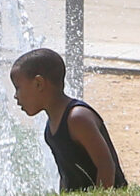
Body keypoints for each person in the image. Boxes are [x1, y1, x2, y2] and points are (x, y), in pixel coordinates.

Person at [10, 48, 128, 191]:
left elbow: (106, 165)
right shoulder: (51, 127)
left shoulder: (77, 118)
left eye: (18, 88)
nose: (15, 96)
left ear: (38, 83)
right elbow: (66, 176)